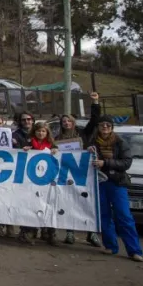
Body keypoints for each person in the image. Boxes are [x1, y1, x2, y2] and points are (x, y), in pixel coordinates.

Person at [91, 115, 143, 262]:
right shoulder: (93, 142)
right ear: (98, 127)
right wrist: (88, 152)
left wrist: (105, 163)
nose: (105, 127)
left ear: (112, 127)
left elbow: (126, 162)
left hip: (117, 183)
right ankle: (110, 246)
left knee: (124, 216)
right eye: (102, 125)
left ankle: (134, 250)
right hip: (99, 183)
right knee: (104, 216)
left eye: (108, 125)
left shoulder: (120, 142)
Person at [54, 92, 102, 245]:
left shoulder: (83, 133)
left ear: (73, 122)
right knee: (68, 203)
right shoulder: (58, 138)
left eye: (69, 121)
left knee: (87, 203)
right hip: (66, 174)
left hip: (84, 173)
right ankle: (70, 232)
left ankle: (91, 233)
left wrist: (95, 102)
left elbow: (95, 121)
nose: (66, 123)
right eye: (64, 121)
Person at [18, 121, 59, 246]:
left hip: (47, 181)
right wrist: (25, 150)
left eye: (43, 131)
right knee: (31, 206)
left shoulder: (52, 145)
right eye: (38, 131)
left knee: (48, 205)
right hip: (30, 182)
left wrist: (56, 151)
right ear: (34, 132)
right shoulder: (29, 143)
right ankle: (29, 232)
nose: (40, 133)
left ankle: (49, 233)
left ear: (47, 133)